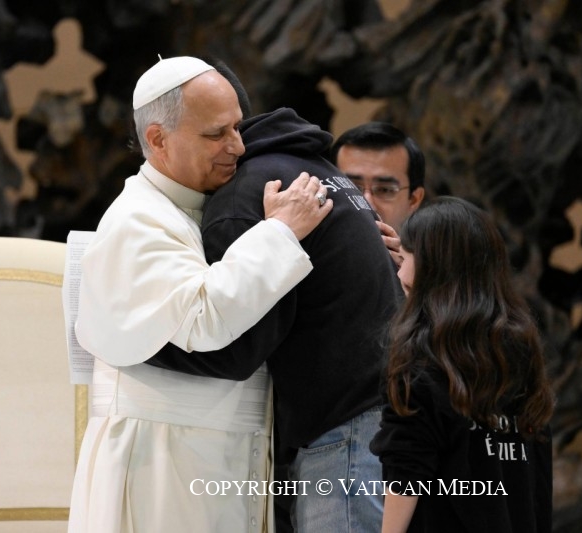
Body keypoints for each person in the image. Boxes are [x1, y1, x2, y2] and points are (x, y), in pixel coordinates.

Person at [69, 56, 332, 532]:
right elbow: (204, 317)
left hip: (225, 454)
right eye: (216, 134)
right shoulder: (137, 220)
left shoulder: (203, 206)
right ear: (157, 139)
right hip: (159, 462)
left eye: (237, 127)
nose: (237, 146)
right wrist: (280, 234)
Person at [148, 80, 403, 531]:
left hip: (343, 435)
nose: (228, 144)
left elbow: (237, 348)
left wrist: (134, 340)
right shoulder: (311, 166)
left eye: (222, 132)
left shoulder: (242, 198)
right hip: (379, 419)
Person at [369, 197, 555, 532]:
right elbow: (536, 476)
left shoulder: (418, 357)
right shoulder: (519, 350)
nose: (400, 270)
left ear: (433, 269)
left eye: (409, 255)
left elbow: (406, 471)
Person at [329, 122, 426, 264]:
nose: (367, 203)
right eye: (351, 187)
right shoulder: (304, 258)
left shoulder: (428, 277)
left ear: (413, 199)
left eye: (384, 190)